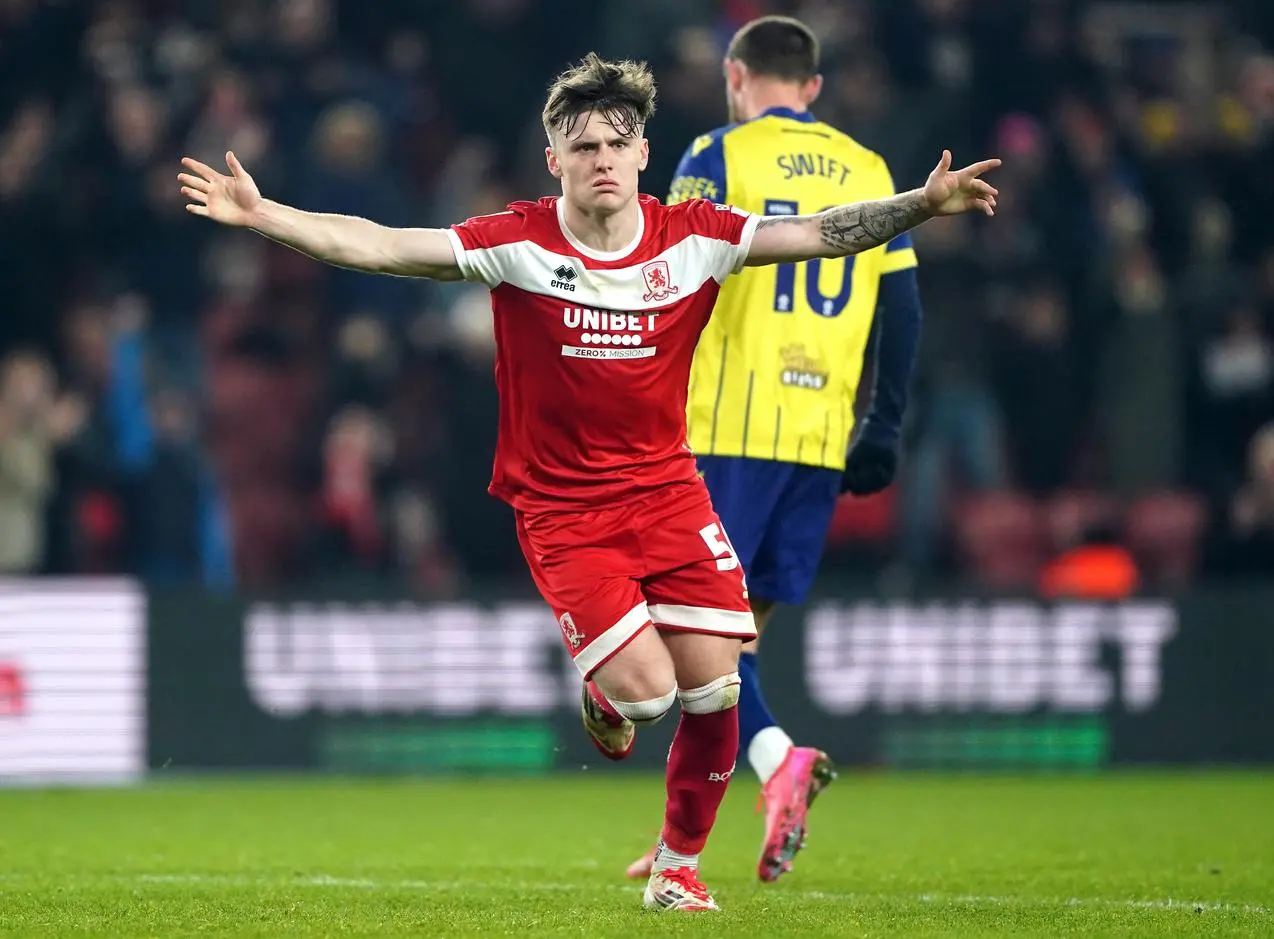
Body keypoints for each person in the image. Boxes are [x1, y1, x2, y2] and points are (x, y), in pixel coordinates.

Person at [177, 53, 999, 912]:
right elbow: (383, 246)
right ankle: (607, 689)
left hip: (671, 492)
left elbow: (824, 232)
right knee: (647, 698)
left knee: (717, 683)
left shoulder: (697, 237)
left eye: (618, 142)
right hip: (565, 511)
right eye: (583, 146)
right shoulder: (518, 243)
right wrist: (264, 214)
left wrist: (922, 206)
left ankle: (678, 869)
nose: (602, 158)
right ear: (554, 161)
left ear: (645, 155)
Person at [625, 15, 928, 884]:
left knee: (693, 640)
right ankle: (688, 832)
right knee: (734, 644)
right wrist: (885, 422)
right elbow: (903, 308)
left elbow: (665, 270)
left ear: (734, 75)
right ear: (816, 88)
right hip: (820, 436)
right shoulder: (870, 170)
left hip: (726, 427)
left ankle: (778, 762)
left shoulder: (717, 153)